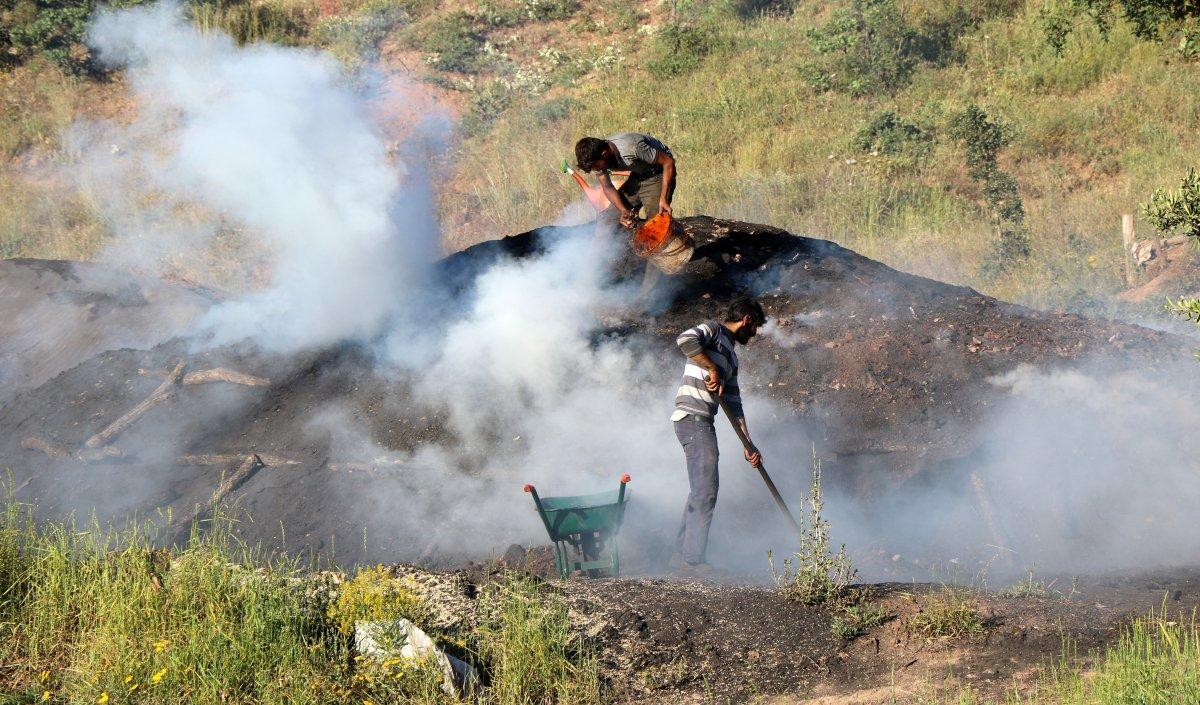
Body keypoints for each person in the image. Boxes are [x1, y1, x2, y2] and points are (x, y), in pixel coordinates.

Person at [671, 297, 766, 572]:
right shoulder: (712, 330)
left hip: (703, 421)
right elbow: (685, 340)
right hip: (692, 418)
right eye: (756, 327)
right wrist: (711, 367)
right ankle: (692, 560)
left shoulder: (732, 357)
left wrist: (748, 444)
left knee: (700, 489)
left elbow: (734, 404)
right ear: (747, 320)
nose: (755, 333)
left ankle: (680, 554)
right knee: (706, 490)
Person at [574, 133, 676, 229]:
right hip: (637, 175)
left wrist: (663, 198)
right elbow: (607, 187)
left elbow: (668, 162)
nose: (596, 170)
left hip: (658, 173)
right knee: (607, 221)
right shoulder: (597, 158)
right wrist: (623, 210)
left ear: (604, 154)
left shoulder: (631, 147)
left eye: (596, 166)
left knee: (657, 224)